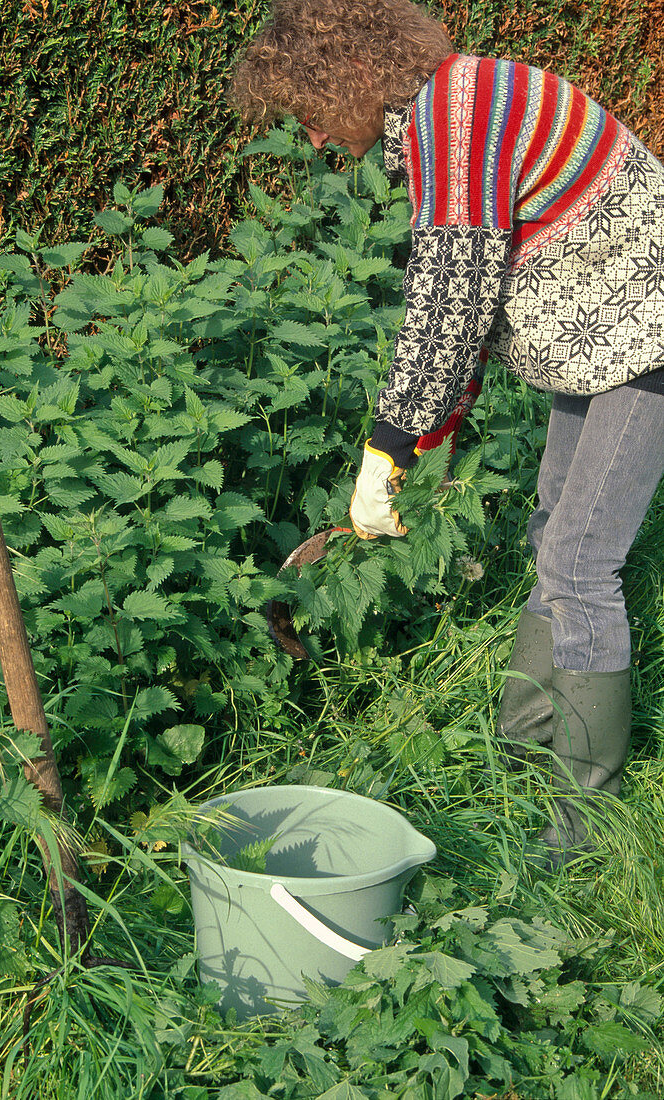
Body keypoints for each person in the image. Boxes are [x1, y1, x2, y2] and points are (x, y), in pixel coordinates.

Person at [228, 0, 664, 867]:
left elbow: (448, 306)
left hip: (647, 332)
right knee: (552, 535)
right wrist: (426, 436)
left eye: (311, 115)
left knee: (581, 561)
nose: (314, 139)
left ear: (348, 80)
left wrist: (386, 447)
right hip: (603, 328)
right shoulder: (452, 108)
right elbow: (472, 302)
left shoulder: (457, 126)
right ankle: (521, 757)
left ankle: (584, 825)